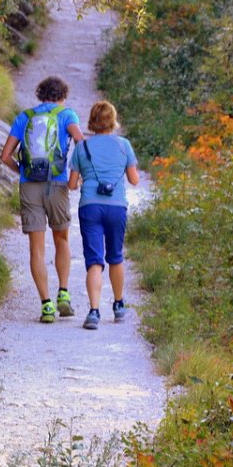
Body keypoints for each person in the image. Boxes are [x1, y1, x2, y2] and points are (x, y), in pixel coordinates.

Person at [0, 76, 84, 323]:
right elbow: (80, 140)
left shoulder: (24, 117)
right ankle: (64, 294)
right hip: (57, 184)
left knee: (36, 248)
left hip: (30, 186)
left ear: (40, 94)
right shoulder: (67, 114)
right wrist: (75, 173)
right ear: (62, 96)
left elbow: (5, 155)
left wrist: (22, 171)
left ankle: (46, 305)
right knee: (62, 239)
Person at [68, 100, 140, 330]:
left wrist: (86, 178)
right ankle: (119, 306)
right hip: (117, 206)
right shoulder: (124, 145)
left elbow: (72, 184)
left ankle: (94, 311)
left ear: (92, 120)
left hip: (90, 206)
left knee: (94, 261)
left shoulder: (82, 148)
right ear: (113, 120)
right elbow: (135, 180)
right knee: (115, 256)